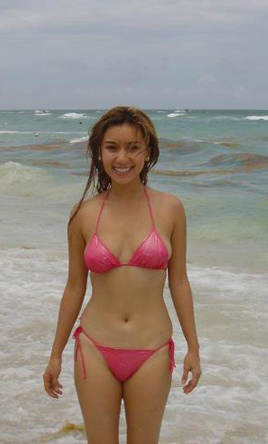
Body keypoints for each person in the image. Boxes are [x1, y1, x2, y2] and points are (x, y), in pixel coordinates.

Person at [43, 106, 202, 443]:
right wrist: (55, 354)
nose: (122, 158)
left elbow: (179, 281)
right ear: (99, 152)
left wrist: (193, 347)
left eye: (133, 147)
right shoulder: (83, 214)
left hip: (152, 348)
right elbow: (74, 288)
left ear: (148, 152)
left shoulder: (171, 209)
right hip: (95, 347)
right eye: (112, 147)